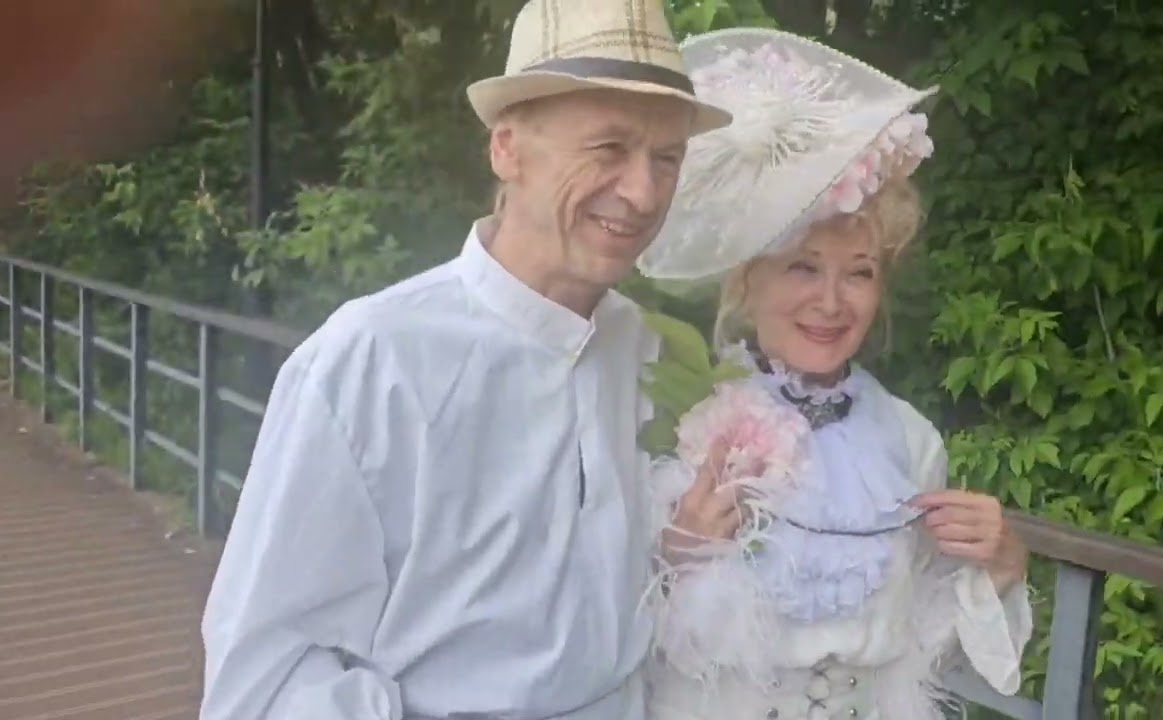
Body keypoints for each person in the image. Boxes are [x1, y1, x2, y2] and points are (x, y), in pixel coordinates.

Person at [197, 2, 733, 719]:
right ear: (506, 149)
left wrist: (674, 554)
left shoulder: (638, 345)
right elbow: (264, 683)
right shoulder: (374, 360)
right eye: (608, 148)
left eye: (666, 159)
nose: (642, 193)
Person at [634, 28, 1034, 719]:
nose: (830, 302)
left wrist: (999, 566)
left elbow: (928, 650)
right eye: (803, 267)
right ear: (748, 281)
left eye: (860, 273)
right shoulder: (680, 420)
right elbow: (592, 630)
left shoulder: (909, 441)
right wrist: (673, 557)